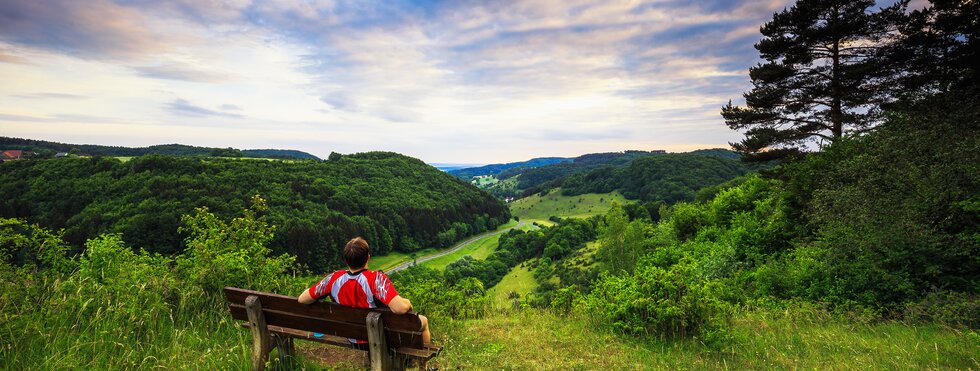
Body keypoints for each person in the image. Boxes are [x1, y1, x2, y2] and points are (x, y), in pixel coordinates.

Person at [298, 236, 431, 345]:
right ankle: (422, 364)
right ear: (368, 257)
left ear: (346, 260)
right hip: (380, 337)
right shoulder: (375, 280)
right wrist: (407, 302)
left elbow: (302, 299)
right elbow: (400, 308)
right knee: (423, 321)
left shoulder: (334, 279)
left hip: (350, 335)